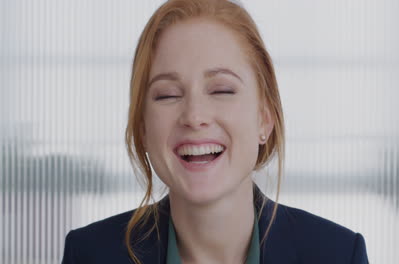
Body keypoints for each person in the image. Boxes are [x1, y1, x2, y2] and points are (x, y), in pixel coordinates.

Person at [61, 0, 369, 263]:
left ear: (265, 118)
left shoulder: (338, 254)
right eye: (167, 95)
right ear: (142, 128)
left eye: (221, 90)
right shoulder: (89, 253)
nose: (194, 116)